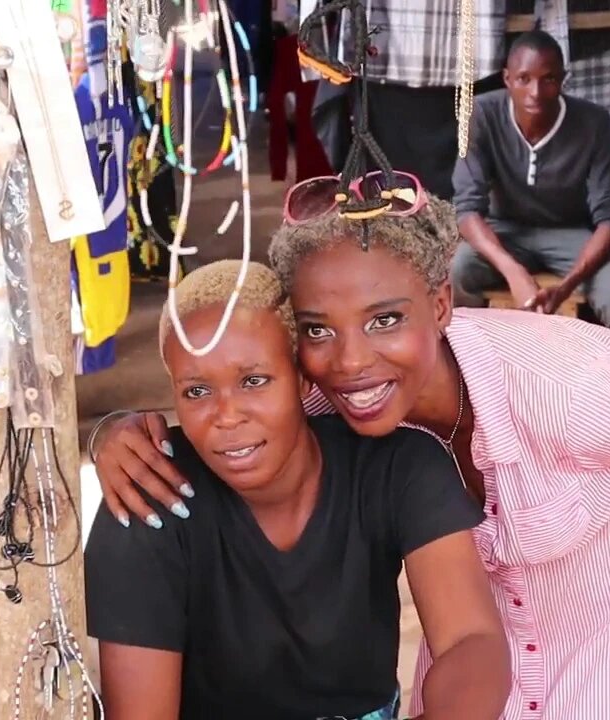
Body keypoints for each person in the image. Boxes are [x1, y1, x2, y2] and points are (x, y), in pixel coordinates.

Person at [90, 192, 610, 718]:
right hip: (515, 604)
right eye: (321, 330)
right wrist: (113, 431)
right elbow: (225, 395)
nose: (353, 360)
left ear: (440, 304)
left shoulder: (562, 382)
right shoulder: (328, 401)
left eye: (386, 319)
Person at [84, 260, 510, 720]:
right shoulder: (149, 501)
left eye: (254, 381)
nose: (226, 416)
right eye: (196, 391)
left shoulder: (394, 467)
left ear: (303, 376)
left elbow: (471, 640)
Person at [451, 30, 610, 337]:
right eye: (524, 78)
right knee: (458, 270)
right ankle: (468, 361)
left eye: (548, 79)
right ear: (507, 79)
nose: (535, 92)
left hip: (569, 234)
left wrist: (567, 286)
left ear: (563, 80)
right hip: (505, 231)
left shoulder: (594, 122)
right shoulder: (480, 114)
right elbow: (467, 210)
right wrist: (515, 273)